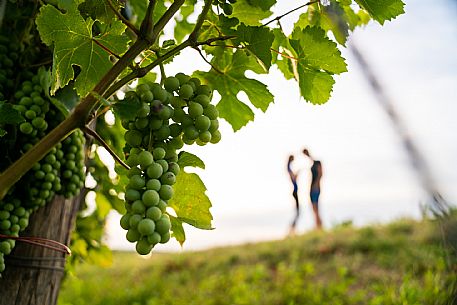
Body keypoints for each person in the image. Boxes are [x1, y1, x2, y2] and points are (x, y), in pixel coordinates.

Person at [303, 149, 323, 229]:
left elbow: (320, 174)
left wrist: (316, 184)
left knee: (315, 207)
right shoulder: (312, 164)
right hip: (311, 188)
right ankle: (318, 225)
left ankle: (319, 226)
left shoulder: (317, 162)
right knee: (314, 208)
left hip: (315, 188)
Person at [287, 155, 300, 235]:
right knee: (298, 212)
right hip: (295, 192)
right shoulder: (289, 168)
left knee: (298, 212)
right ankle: (292, 229)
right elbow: (294, 178)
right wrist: (297, 173)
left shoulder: (289, 168)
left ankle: (293, 228)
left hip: (295, 192)